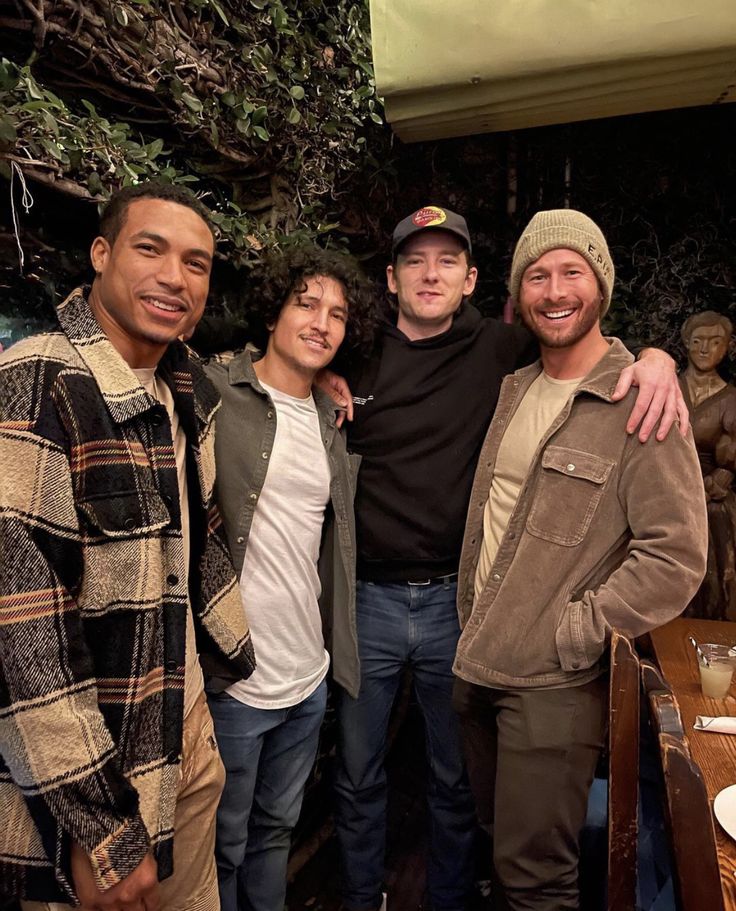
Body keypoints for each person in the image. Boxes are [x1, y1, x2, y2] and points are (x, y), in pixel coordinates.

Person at [327, 204, 689, 911]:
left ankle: (454, 899)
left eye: (448, 261)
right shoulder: (364, 348)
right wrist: (319, 380)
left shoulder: (501, 353)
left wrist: (660, 357)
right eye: (414, 261)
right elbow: (279, 356)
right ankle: (359, 894)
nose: (431, 274)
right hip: (370, 601)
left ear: (472, 281)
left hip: (469, 620)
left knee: (459, 786)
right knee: (361, 773)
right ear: (391, 278)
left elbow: (672, 551)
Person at [0, 182, 255, 911]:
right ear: (101, 254)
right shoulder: (39, 382)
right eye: (151, 249)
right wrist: (101, 827)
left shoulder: (184, 387)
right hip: (91, 786)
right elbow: (23, 636)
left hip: (184, 744)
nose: (175, 276)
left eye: (197, 262)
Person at [451, 208, 707, 911]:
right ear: (518, 293)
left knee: (536, 881)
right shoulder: (515, 386)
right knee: (503, 851)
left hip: (552, 685)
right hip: (476, 662)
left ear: (601, 285)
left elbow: (676, 556)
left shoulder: (641, 400)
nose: (554, 289)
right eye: (537, 274)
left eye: (572, 271)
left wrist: (577, 631)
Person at [203, 247, 377, 911]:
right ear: (274, 309)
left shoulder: (332, 418)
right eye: (306, 302)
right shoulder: (218, 390)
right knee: (219, 841)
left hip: (306, 676)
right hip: (234, 677)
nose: (321, 321)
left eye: (336, 313)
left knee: (275, 830)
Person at [679, 311, 736, 620]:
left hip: (709, 498)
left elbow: (728, 469)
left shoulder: (731, 400)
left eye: (715, 342)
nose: (705, 349)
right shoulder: (668, 388)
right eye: (698, 341)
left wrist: (707, 489)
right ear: (687, 343)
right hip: (664, 488)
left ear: (726, 347)